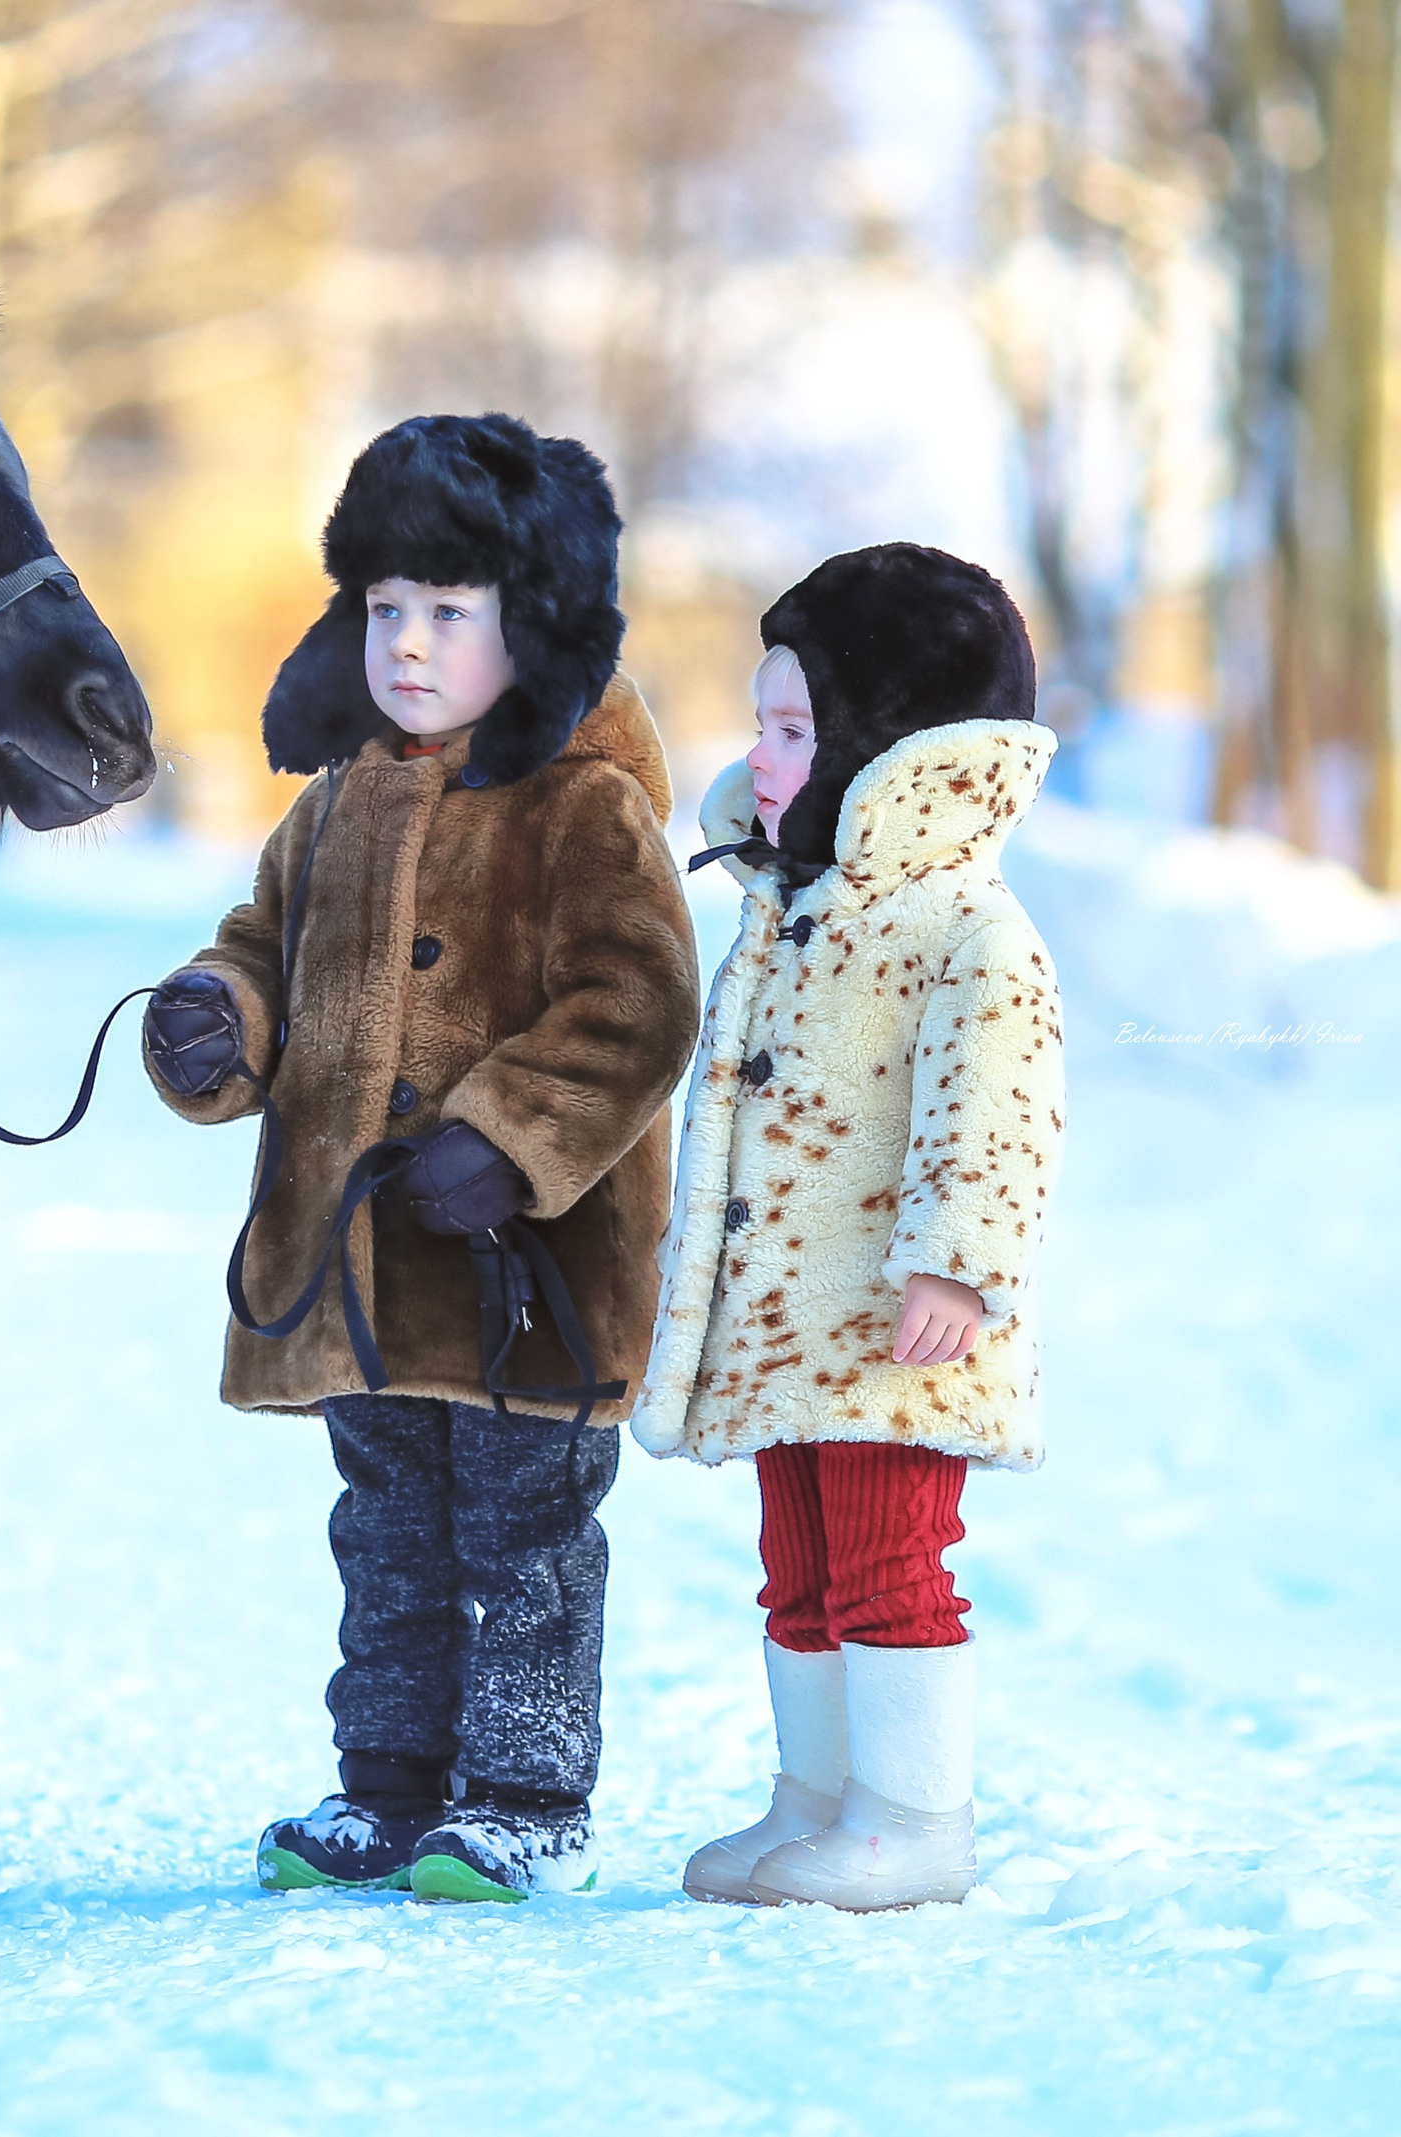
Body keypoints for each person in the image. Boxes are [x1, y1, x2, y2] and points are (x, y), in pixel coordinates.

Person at [141, 414, 701, 1903]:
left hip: (527, 1276)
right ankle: (387, 1783)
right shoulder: (338, 800)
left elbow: (640, 1002)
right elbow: (265, 948)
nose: (407, 642)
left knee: (525, 1533)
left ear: (538, 624)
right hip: (360, 1265)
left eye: (450, 611)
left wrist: (511, 1139)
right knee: (386, 1531)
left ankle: (526, 1794)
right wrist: (223, 1017)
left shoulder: (584, 806)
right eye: (386, 607)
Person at [632, 543, 1067, 1911]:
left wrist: (959, 1264)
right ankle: (815, 1798)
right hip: (792, 1325)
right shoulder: (797, 908)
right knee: (799, 1564)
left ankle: (914, 1815)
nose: (761, 755)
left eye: (794, 728)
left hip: (893, 1321)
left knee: (890, 1562)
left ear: (894, 753)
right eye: (761, 723)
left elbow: (998, 1107)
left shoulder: (966, 926)